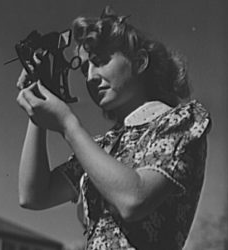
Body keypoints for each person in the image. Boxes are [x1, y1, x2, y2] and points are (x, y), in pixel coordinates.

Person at [16, 6, 211, 250]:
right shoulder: (103, 146)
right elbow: (34, 195)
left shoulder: (182, 120)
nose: (90, 77)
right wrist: (39, 101)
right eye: (85, 67)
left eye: (99, 62)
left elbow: (133, 199)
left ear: (139, 62)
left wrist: (68, 124)